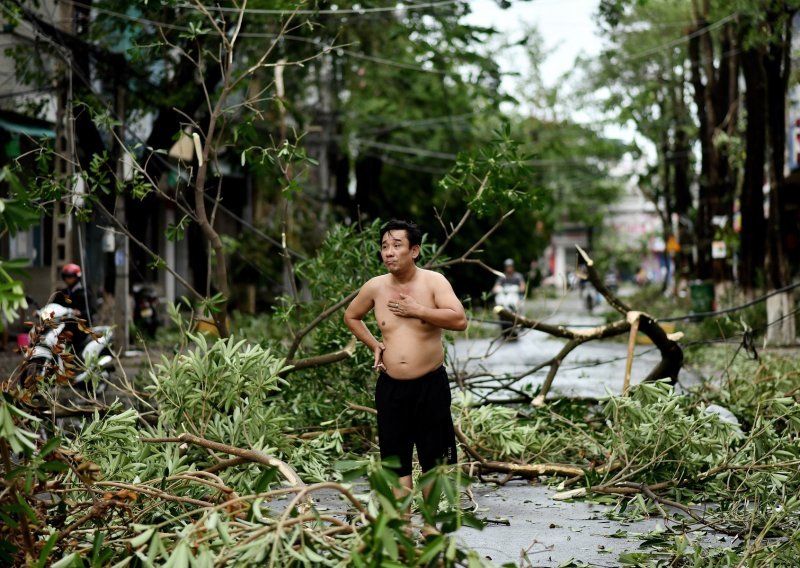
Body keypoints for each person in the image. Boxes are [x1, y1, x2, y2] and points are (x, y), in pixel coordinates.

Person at [344, 219, 468, 499]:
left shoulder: (433, 281)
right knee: (396, 462)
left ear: (414, 251)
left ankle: (430, 527)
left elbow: (460, 320)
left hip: (430, 386)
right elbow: (351, 316)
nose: (389, 252)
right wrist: (373, 344)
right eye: (384, 246)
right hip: (392, 388)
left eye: (396, 245)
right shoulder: (375, 287)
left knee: (433, 463)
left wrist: (418, 310)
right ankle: (402, 531)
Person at [55, 263, 96, 350]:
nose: (67, 279)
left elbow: (92, 309)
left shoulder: (85, 293)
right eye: (65, 276)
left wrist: (80, 312)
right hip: (63, 324)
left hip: (80, 327)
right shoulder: (63, 293)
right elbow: (54, 306)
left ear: (77, 277)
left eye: (70, 276)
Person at [492, 258, 526, 338]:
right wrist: (496, 289)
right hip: (505, 299)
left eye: (510, 266)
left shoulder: (518, 276)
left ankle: (521, 322)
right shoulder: (502, 277)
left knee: (520, 306)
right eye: (507, 266)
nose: (509, 268)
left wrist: (519, 289)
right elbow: (496, 286)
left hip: (515, 298)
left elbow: (522, 286)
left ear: (513, 267)